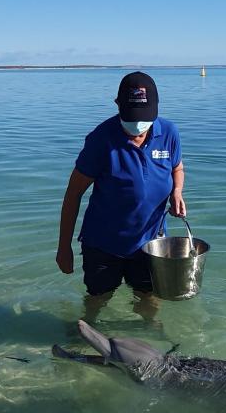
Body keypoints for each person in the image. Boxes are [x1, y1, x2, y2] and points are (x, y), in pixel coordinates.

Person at [56, 72, 186, 321]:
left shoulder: (169, 132)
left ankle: (150, 337)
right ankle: (86, 335)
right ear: (117, 105)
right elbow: (73, 195)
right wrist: (64, 248)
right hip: (103, 245)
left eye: (143, 119)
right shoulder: (100, 139)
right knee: (97, 298)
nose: (137, 127)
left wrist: (177, 192)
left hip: (151, 244)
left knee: (148, 297)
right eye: (131, 118)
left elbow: (177, 168)